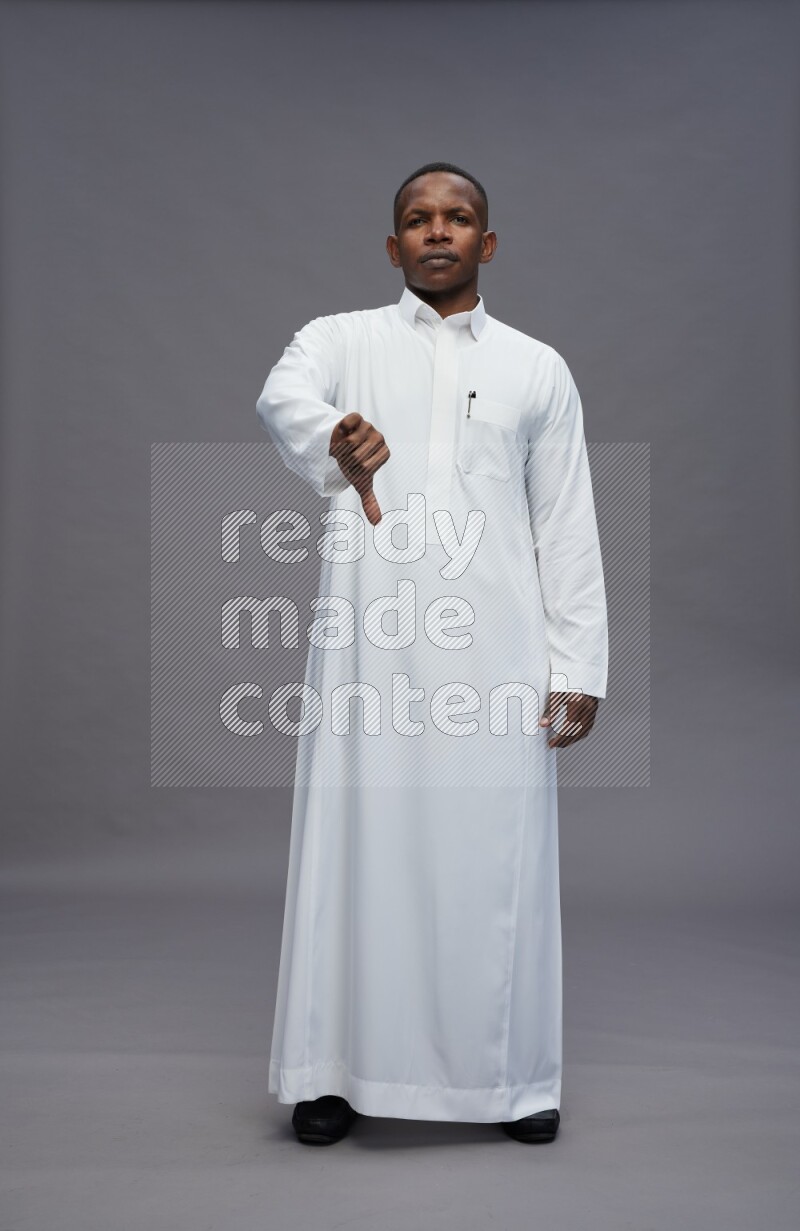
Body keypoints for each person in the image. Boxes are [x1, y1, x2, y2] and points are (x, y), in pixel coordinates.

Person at [255, 161, 608, 1146]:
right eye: (417, 219)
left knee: (493, 861)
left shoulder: (537, 368)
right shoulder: (340, 342)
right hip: (369, 654)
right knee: (353, 854)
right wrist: (336, 433)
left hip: (493, 658)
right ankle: (329, 1073)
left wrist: (575, 663)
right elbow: (282, 395)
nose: (437, 231)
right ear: (392, 245)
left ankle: (509, 1078)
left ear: (486, 244)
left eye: (457, 218)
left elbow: (565, 523)